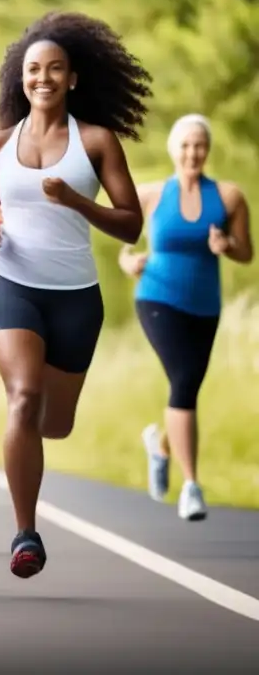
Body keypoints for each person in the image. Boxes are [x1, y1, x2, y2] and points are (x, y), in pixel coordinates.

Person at [0, 11, 151, 578]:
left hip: (75, 295)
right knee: (24, 398)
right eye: (33, 69)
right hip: (12, 282)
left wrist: (77, 201)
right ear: (20, 77)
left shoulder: (97, 141)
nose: (43, 78)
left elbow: (130, 225)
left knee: (55, 423)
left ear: (73, 78)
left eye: (55, 69)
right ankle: (25, 534)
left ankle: (36, 449)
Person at [118, 113, 253, 521]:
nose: (193, 152)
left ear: (207, 150)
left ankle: (160, 447)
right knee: (183, 381)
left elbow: (247, 253)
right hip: (157, 298)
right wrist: (129, 262)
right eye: (186, 144)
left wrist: (227, 244)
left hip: (204, 305)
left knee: (186, 388)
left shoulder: (229, 197)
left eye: (200, 145)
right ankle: (192, 487)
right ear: (173, 150)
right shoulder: (150, 195)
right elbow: (122, 245)